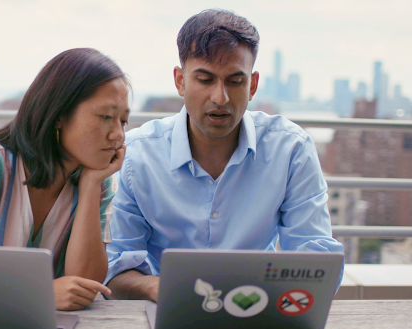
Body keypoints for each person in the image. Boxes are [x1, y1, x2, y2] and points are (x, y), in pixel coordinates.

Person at [105, 9, 344, 301]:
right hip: (163, 309)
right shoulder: (137, 154)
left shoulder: (290, 149)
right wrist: (159, 288)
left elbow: (317, 261)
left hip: (257, 310)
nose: (220, 98)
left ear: (252, 85)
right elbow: (116, 268)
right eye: (205, 80)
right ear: (180, 81)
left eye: (235, 81)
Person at [0, 48, 130, 310]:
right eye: (106, 117)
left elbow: (85, 284)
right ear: (59, 115)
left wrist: (90, 185)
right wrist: (37, 293)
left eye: (123, 121)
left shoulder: (98, 182)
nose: (118, 135)